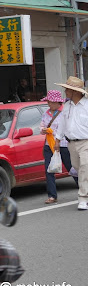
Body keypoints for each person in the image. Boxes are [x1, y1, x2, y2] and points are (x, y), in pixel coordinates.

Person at [54, 76, 88, 211]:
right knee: (79, 169)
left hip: (86, 142)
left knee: (85, 168)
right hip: (71, 144)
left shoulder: (86, 105)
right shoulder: (66, 106)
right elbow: (62, 125)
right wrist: (57, 139)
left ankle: (83, 198)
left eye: (68, 89)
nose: (65, 91)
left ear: (76, 91)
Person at [40, 90, 78, 204]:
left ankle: (83, 189)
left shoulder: (64, 113)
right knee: (49, 170)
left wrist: (56, 134)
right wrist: (44, 130)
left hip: (63, 145)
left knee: (72, 168)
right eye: (48, 102)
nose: (49, 104)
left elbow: (67, 128)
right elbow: (41, 126)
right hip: (49, 145)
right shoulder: (45, 114)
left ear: (57, 103)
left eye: (51, 102)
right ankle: (52, 195)